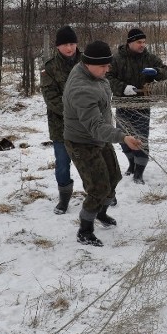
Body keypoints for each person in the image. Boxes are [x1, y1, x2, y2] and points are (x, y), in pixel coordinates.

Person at [63, 40, 143, 247]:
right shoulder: (81, 89)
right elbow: (96, 125)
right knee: (98, 188)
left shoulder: (92, 73)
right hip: (82, 142)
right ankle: (85, 229)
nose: (108, 70)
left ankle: (101, 213)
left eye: (108, 65)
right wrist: (123, 137)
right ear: (88, 63)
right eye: (103, 66)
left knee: (114, 177)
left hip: (101, 137)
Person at [107, 28, 167, 184]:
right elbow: (107, 77)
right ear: (130, 43)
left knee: (141, 138)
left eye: (144, 42)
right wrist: (122, 88)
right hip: (123, 105)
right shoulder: (117, 59)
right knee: (123, 138)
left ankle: (139, 172)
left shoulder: (149, 58)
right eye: (139, 42)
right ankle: (131, 163)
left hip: (143, 105)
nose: (142, 45)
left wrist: (156, 72)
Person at [40, 25, 81, 215]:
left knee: (92, 161)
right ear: (57, 46)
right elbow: (51, 99)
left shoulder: (86, 63)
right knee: (63, 163)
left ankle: (101, 194)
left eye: (72, 43)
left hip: (87, 125)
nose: (70, 48)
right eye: (65, 44)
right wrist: (75, 112)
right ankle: (64, 199)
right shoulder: (50, 68)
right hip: (61, 125)